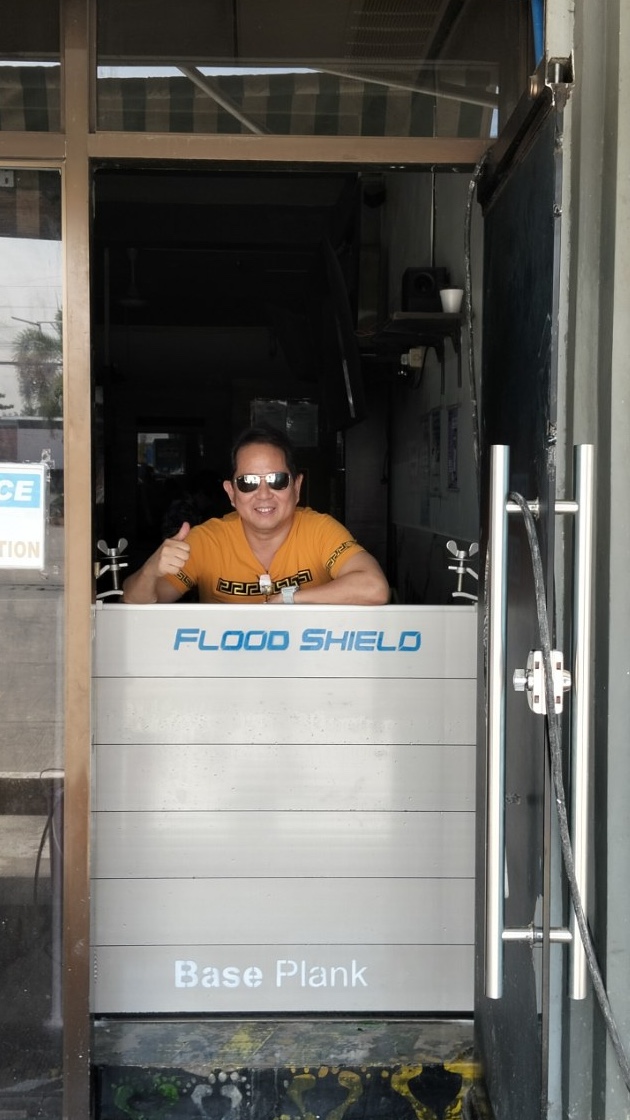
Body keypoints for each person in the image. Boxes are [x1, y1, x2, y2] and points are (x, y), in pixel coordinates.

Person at [122, 424, 390, 605]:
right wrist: (149, 570)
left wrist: (288, 599)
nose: (264, 494)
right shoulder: (206, 541)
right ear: (231, 493)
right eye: (248, 482)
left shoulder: (320, 531)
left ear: (296, 487)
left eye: (277, 480)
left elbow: (375, 588)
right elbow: (136, 605)